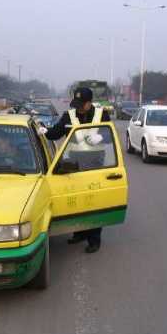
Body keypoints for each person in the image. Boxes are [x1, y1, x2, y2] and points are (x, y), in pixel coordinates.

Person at [38, 87, 110, 253]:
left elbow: (109, 134)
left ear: (89, 103)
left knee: (93, 203)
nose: (77, 108)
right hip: (75, 164)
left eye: (80, 104)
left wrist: (101, 136)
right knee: (77, 201)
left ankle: (94, 239)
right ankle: (80, 233)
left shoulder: (101, 114)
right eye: (75, 104)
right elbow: (56, 133)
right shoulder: (69, 115)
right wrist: (45, 132)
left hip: (94, 165)